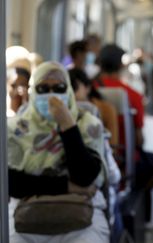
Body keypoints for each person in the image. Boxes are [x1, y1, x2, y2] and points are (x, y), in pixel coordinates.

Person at [7, 62, 109, 242]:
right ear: (33, 92)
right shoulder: (15, 130)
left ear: (68, 90)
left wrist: (67, 125)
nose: (51, 94)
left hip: (82, 213)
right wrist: (66, 186)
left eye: (59, 87)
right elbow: (13, 183)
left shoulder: (87, 124)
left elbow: (85, 177)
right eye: (43, 88)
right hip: (25, 212)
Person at [69, 68, 119, 145]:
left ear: (87, 88)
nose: (71, 93)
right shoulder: (63, 109)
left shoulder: (106, 110)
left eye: (74, 88)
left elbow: (113, 144)